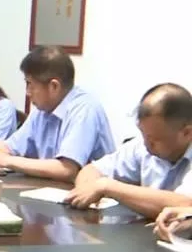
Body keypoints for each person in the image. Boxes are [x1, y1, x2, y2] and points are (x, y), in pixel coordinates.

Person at [0, 46, 115, 182]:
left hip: (90, 192)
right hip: (52, 189)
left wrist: (7, 160)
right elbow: (10, 147)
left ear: (54, 86)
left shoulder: (85, 109)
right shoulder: (42, 109)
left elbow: (66, 169)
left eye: (30, 84)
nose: (28, 92)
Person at [65, 83, 192, 217]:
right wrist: (86, 191)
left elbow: (186, 205)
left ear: (187, 133)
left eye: (154, 139)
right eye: (144, 134)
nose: (147, 144)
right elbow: (92, 170)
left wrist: (107, 187)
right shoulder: (142, 144)